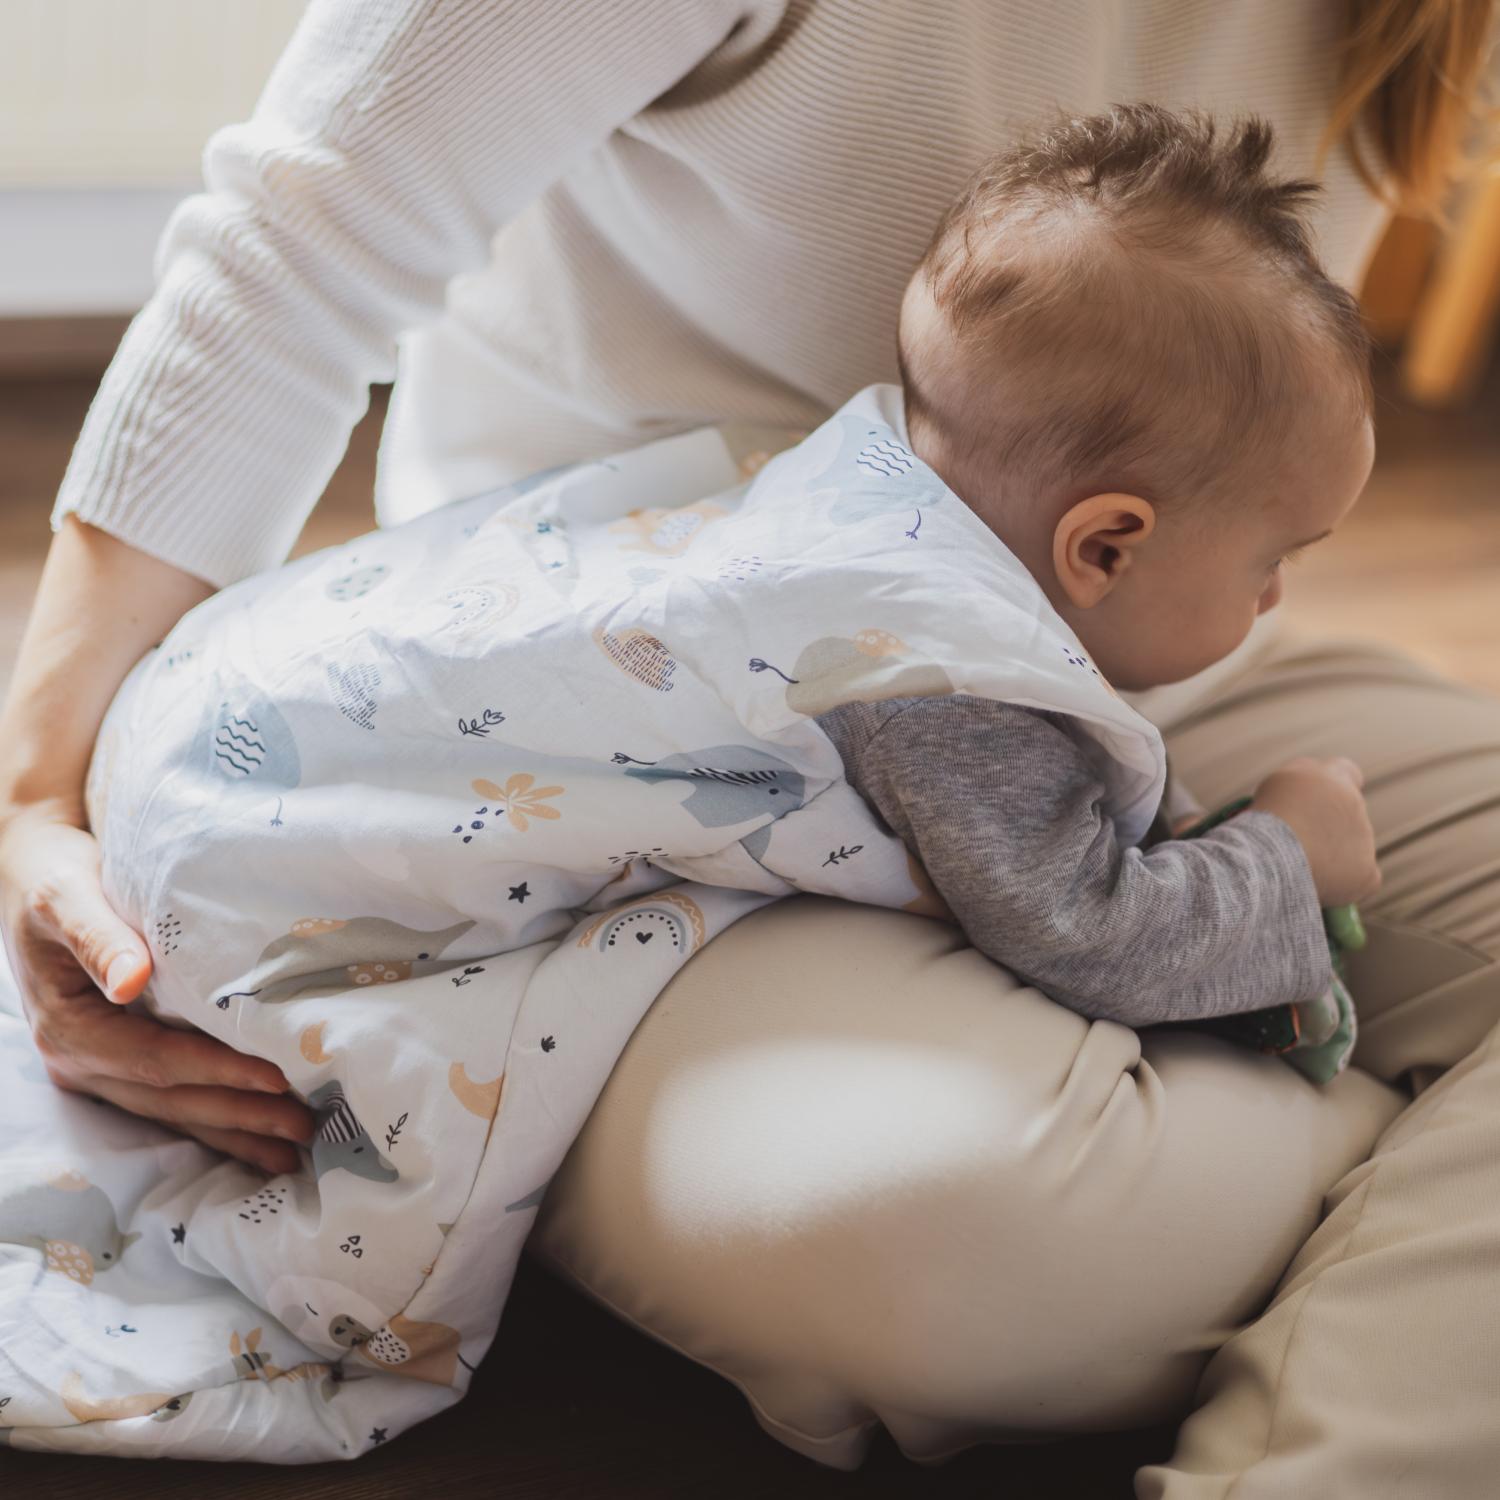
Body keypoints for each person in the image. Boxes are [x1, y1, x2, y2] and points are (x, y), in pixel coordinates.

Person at [1, 1, 1497, 1487]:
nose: (1290, 590)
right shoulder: (936, 674)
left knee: (1161, 1209)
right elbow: (1087, 925)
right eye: (1282, 562)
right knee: (1018, 1258)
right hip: (641, 785)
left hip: (1094, 662)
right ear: (1104, 542)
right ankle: (1423, 1178)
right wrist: (1281, 865)